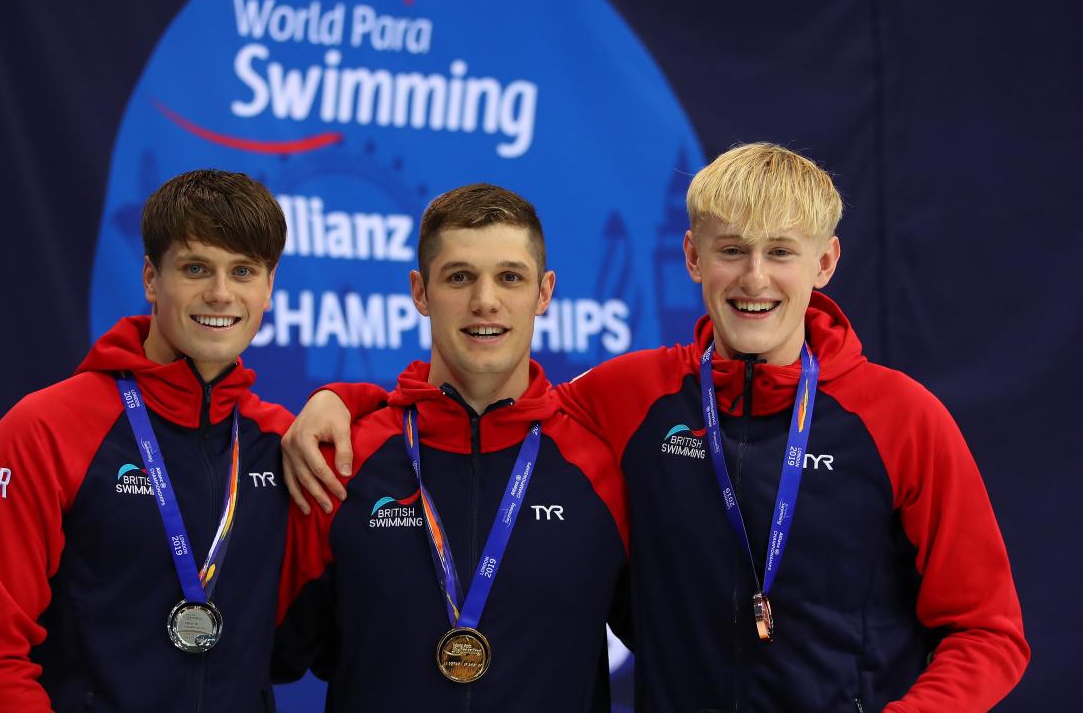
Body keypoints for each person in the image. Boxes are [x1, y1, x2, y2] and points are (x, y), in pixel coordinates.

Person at [283, 144, 1030, 712]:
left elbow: (989, 632)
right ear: (693, 257)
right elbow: (487, 397)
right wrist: (344, 401)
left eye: (781, 254)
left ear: (825, 262)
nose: (755, 278)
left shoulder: (902, 417)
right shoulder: (629, 396)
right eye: (732, 251)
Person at [272, 183, 630, 711]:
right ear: (420, 292)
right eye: (459, 277)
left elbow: (683, 645)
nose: (485, 300)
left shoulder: (601, 464)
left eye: (510, 277)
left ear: (544, 292)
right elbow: (271, 653)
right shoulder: (344, 460)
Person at [0, 170, 296, 711]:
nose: (221, 294)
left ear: (268, 287)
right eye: (196, 268)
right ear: (152, 280)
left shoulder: (279, 440)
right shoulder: (43, 430)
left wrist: (342, 400)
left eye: (243, 270)